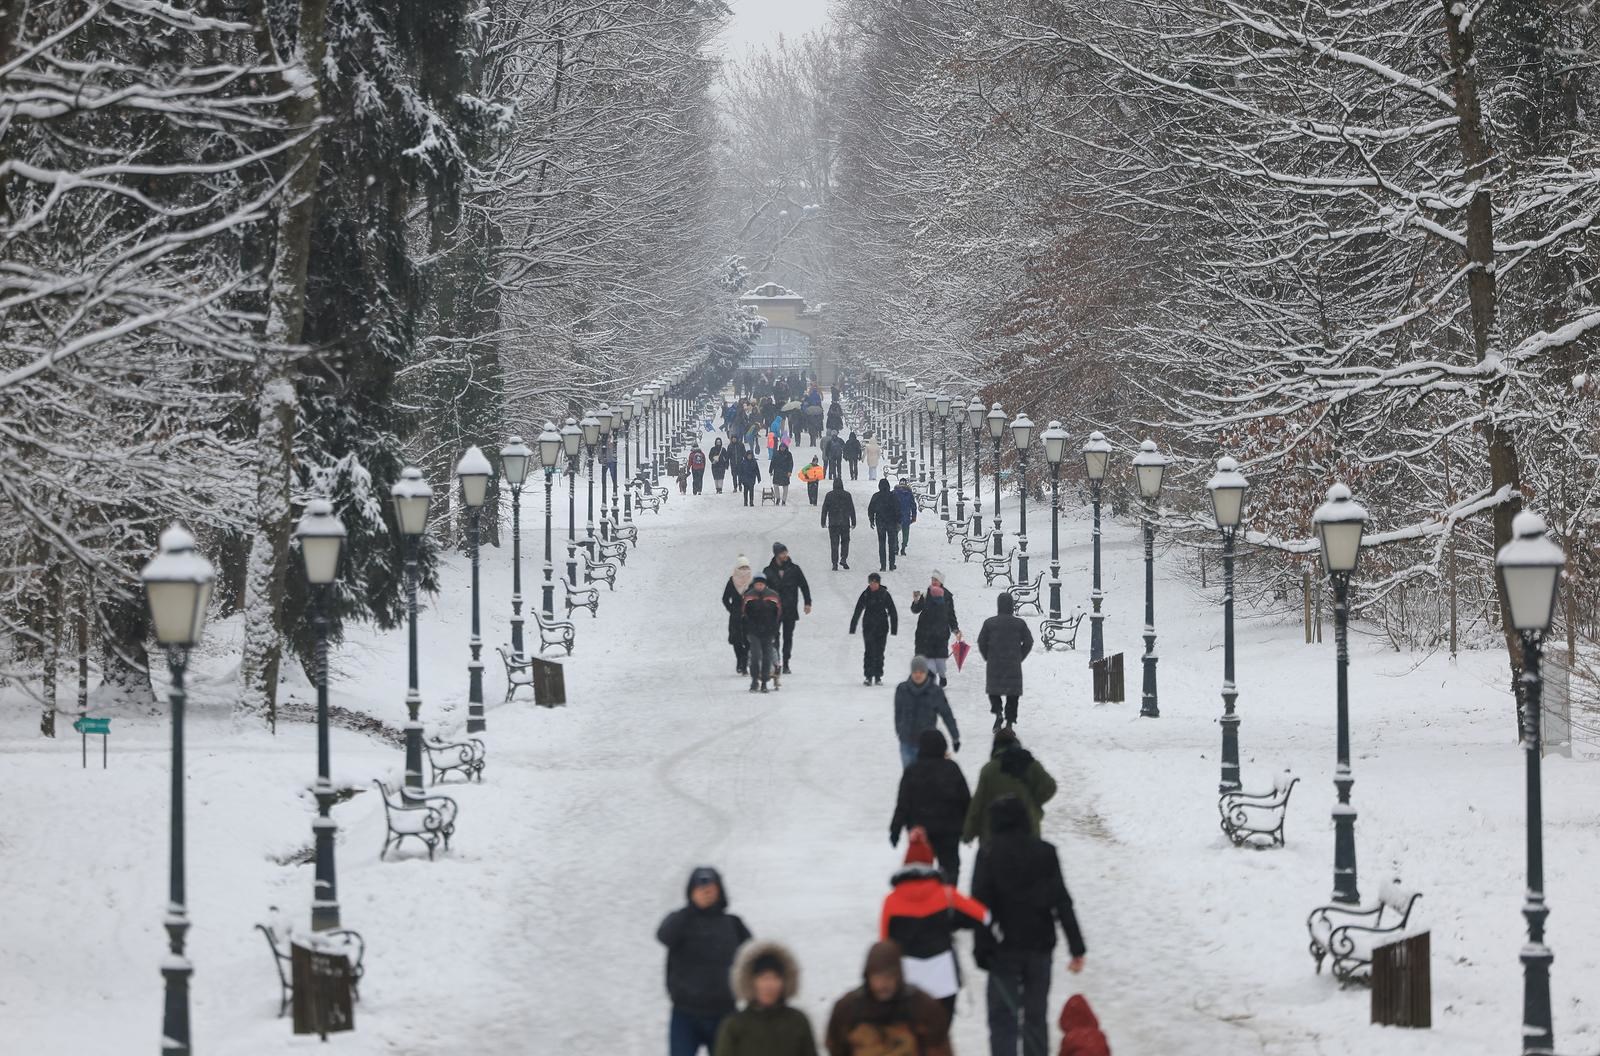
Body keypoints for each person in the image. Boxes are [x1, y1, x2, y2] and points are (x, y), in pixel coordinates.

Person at [972, 797, 1087, 1056]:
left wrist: (982, 948)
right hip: (1039, 946)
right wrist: (1076, 947)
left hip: (1002, 949)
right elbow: (1061, 900)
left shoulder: (988, 853)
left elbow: (979, 906)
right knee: (1035, 1018)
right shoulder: (1045, 852)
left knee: (1003, 1019)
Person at [880, 829, 989, 1021]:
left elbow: (884, 943)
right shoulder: (946, 894)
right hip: (943, 977)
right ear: (931, 864)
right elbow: (983, 915)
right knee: (938, 1038)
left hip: (908, 978)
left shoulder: (891, 901)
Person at [657, 866, 753, 1056]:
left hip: (724, 1014)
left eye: (711, 886)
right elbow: (663, 935)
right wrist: (691, 909)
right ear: (691, 891)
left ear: (720, 890)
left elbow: (753, 959)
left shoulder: (733, 924)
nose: (706, 891)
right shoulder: (680, 920)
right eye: (700, 887)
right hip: (685, 1015)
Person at [824, 941, 953, 1056]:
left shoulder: (923, 1008)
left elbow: (939, 1049)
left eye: (888, 977)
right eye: (877, 977)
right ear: (868, 976)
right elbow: (835, 1048)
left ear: (898, 976)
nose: (882, 985)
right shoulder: (847, 1009)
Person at [890, 729, 971, 883]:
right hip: (949, 830)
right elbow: (965, 799)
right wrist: (969, 828)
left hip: (921, 831)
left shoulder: (912, 771)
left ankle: (927, 901)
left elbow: (903, 804)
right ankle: (948, 899)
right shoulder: (952, 769)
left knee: (921, 871)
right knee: (950, 868)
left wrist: (895, 829)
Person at [714, 941, 818, 1056]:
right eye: (764, 978)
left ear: (784, 981)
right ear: (751, 982)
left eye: (776, 978)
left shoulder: (798, 1021)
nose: (770, 985)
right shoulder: (734, 1025)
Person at [962, 729, 1058, 845]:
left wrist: (968, 833)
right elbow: (1050, 786)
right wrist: (1033, 803)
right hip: (1027, 829)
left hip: (994, 834)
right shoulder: (1030, 764)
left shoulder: (989, 770)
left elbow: (978, 804)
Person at [977, 593, 1034, 730]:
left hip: (995, 664)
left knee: (994, 691)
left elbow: (981, 641)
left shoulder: (989, 623)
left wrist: (987, 656)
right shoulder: (1019, 624)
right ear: (1012, 606)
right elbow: (1029, 641)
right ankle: (1009, 722)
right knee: (1012, 695)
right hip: (1012, 664)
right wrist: (1020, 656)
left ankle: (998, 713)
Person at [894, 656, 959, 769]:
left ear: (926, 672)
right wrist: (900, 730)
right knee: (909, 778)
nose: (918, 675)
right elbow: (898, 713)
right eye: (915, 672)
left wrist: (955, 737)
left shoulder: (935, 692)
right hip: (907, 742)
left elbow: (947, 715)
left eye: (921, 672)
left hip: (927, 744)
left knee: (926, 778)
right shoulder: (902, 689)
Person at [764, 542, 813, 674]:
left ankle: (786, 663)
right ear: (776, 555)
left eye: (786, 552)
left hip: (790, 609)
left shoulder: (794, 569)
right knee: (774, 637)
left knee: (788, 637)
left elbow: (804, 585)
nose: (785, 555)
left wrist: (807, 602)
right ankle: (776, 662)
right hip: (773, 610)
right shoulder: (767, 571)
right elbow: (760, 589)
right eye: (782, 553)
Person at [909, 572, 960, 686]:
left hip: (940, 633)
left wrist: (955, 628)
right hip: (925, 632)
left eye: (936, 580)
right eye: (932, 579)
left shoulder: (947, 596)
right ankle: (928, 680)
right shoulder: (926, 594)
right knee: (926, 658)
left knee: (940, 658)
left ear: (941, 582)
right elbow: (916, 610)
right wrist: (916, 600)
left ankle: (942, 675)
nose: (933, 581)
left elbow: (951, 614)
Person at [849, 571, 898, 685]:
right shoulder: (866, 594)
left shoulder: (885, 594)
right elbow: (858, 609)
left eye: (875, 583)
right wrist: (853, 626)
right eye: (871, 582)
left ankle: (878, 676)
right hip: (868, 626)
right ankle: (868, 676)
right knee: (869, 651)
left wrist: (894, 628)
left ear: (879, 583)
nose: (873, 585)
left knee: (880, 652)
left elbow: (892, 611)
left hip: (882, 627)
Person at [743, 573, 783, 692]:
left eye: (761, 584)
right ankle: (755, 680)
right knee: (755, 656)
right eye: (757, 584)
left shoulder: (773, 596)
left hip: (768, 630)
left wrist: (774, 628)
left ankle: (765, 682)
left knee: (767, 656)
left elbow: (778, 614)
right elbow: (744, 614)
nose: (759, 586)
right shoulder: (749, 596)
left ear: (765, 585)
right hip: (754, 631)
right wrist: (748, 629)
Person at [722, 555, 755, 676]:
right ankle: (740, 661)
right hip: (735, 616)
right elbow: (725, 598)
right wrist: (732, 610)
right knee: (736, 640)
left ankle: (744, 663)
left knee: (748, 640)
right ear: (737, 568)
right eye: (741, 567)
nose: (744, 570)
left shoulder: (752, 581)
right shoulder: (732, 581)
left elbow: (756, 597)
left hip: (749, 616)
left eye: (746, 567)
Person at [820, 477, 857, 571]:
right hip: (844, 522)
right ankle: (843, 558)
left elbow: (824, 509)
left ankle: (834, 563)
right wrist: (853, 521)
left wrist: (823, 521)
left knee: (834, 544)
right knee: (845, 541)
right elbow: (851, 509)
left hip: (833, 523)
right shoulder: (847, 495)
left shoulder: (829, 495)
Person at [867, 479, 899, 572]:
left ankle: (883, 565)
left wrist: (871, 520)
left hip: (880, 522)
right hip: (891, 522)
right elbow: (897, 509)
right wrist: (897, 521)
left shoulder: (876, 496)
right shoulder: (893, 496)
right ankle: (892, 564)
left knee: (882, 544)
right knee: (891, 544)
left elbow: (871, 509)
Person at [894, 479, 917, 555]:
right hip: (906, 517)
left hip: (896, 517)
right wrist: (914, 517)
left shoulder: (894, 492)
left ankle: (895, 547)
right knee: (905, 533)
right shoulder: (909, 494)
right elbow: (913, 506)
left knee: (895, 533)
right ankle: (903, 548)